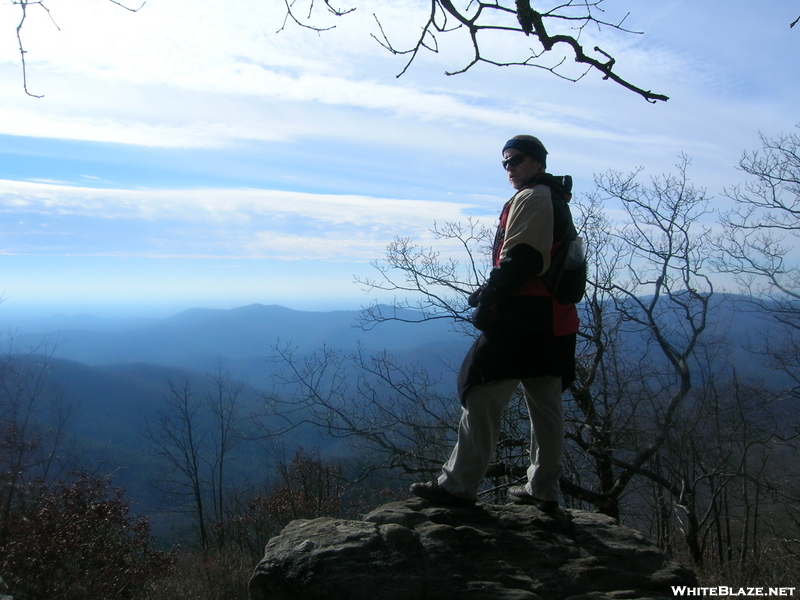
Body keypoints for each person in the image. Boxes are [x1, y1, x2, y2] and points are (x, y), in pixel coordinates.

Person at [410, 135, 579, 511]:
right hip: (556, 321)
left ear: (537, 162)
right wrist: (490, 287)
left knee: (481, 393)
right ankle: (543, 490)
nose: (510, 168)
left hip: (521, 320)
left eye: (516, 160)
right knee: (546, 406)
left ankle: (458, 485)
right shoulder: (554, 199)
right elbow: (540, 260)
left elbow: (523, 259)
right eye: (505, 163)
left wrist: (491, 299)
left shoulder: (533, 197)